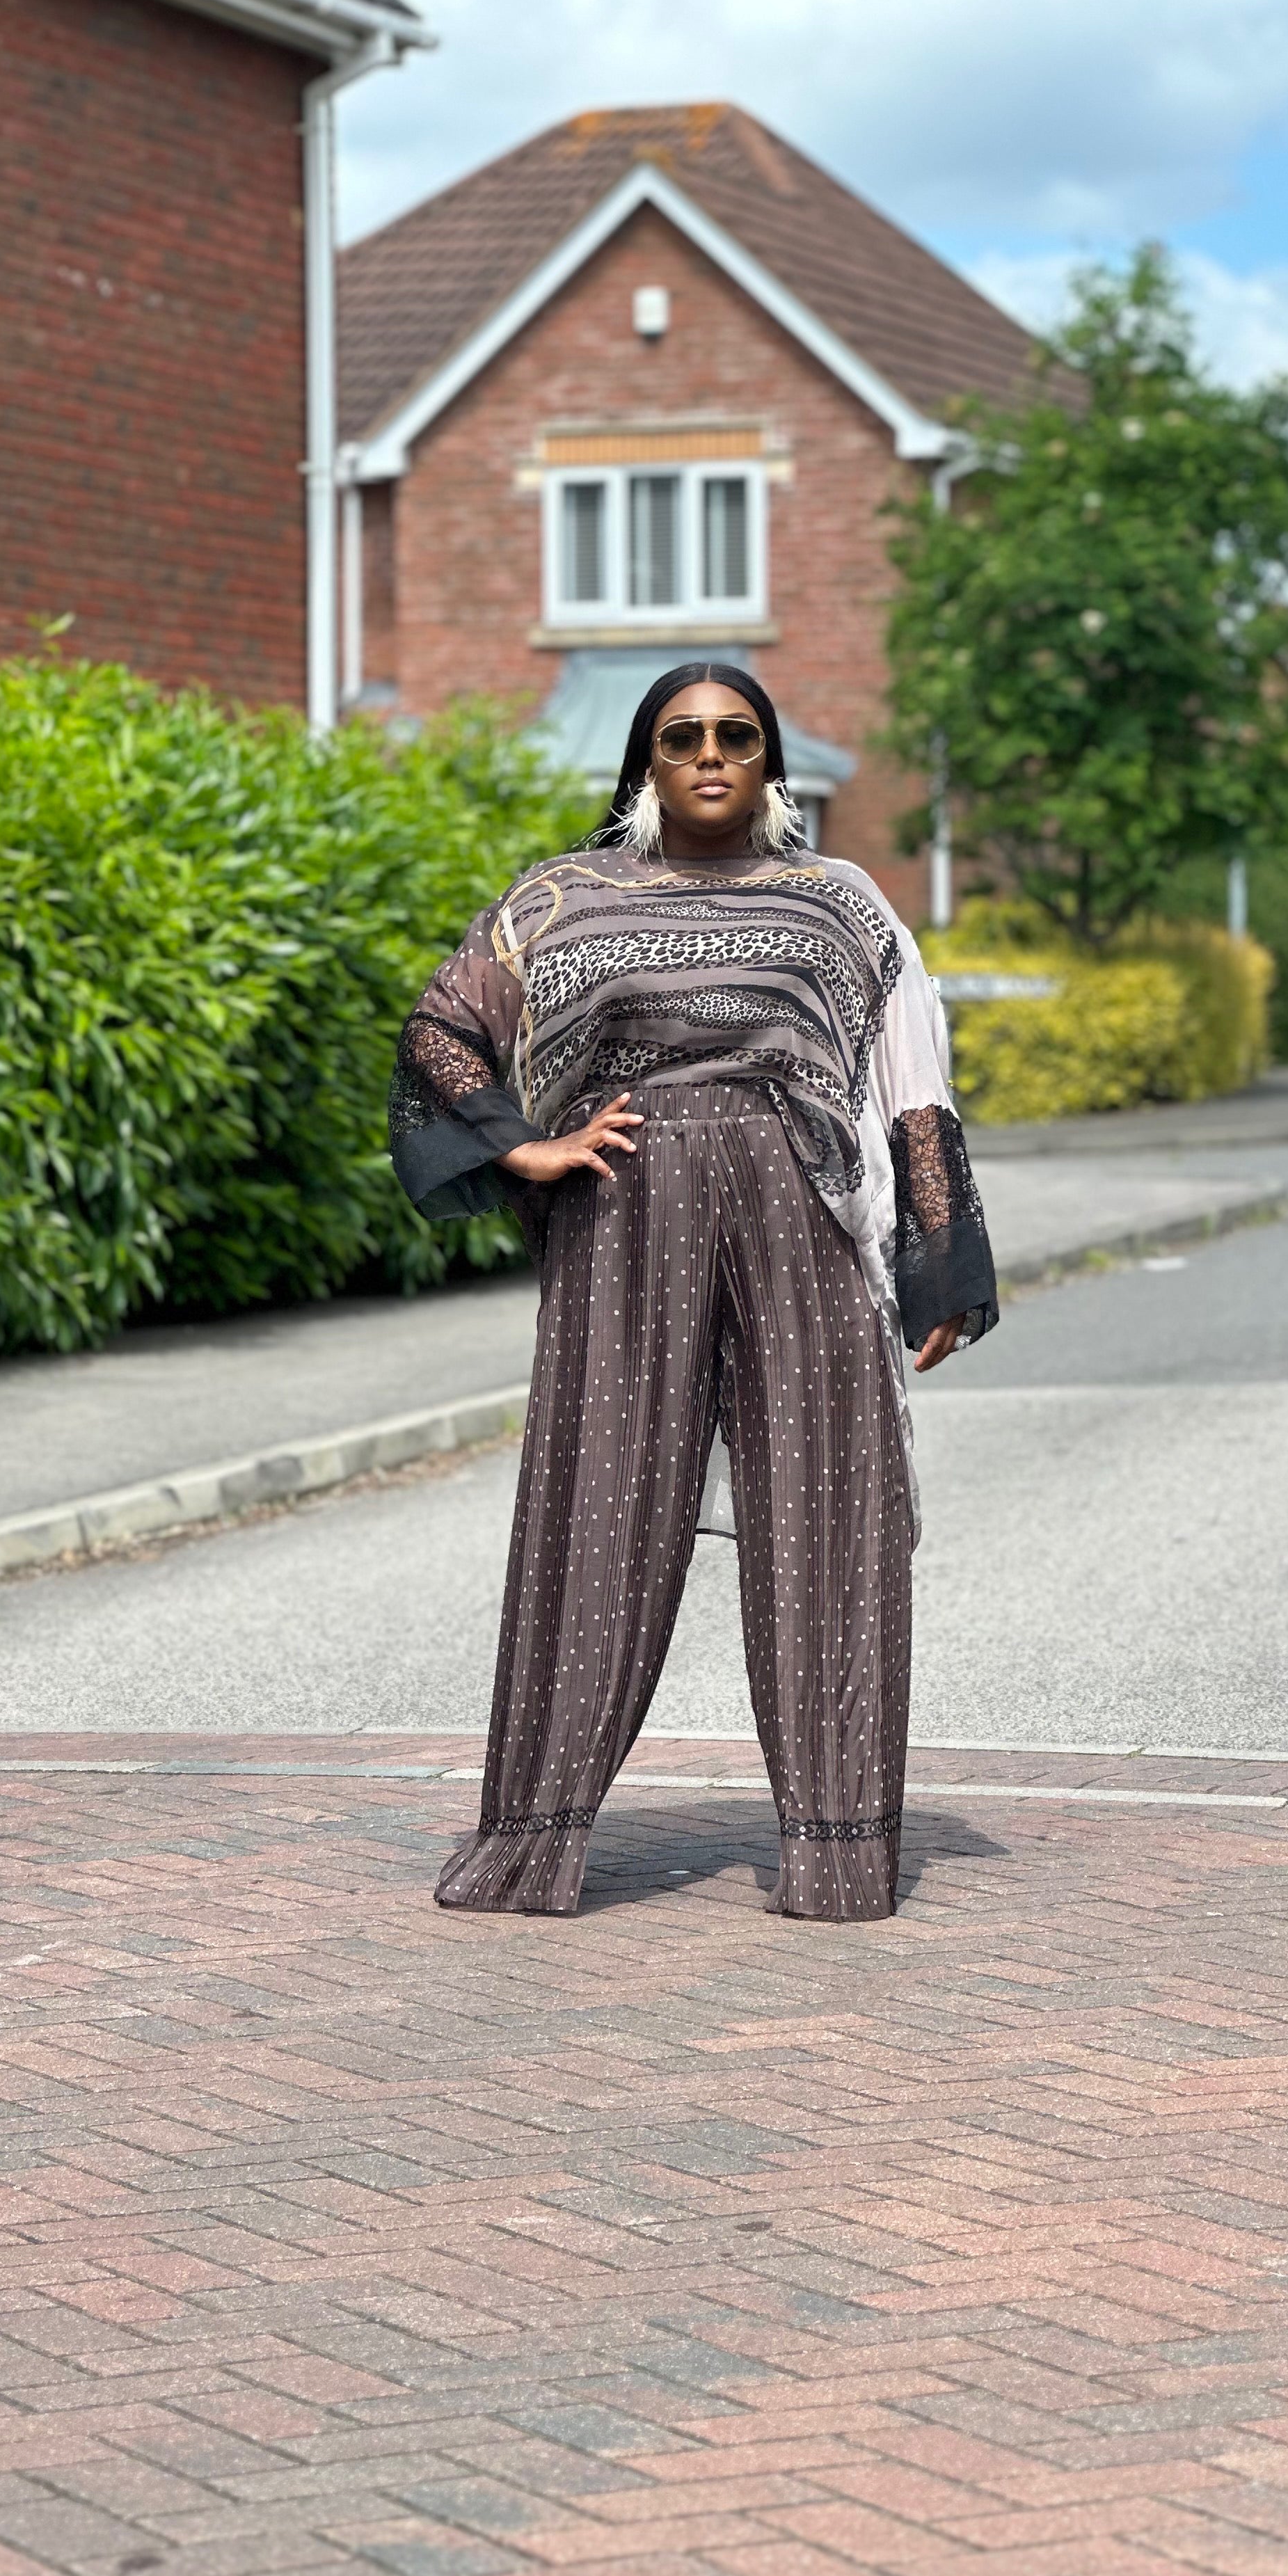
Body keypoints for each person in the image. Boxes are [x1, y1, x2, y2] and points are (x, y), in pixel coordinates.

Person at [390, 662, 998, 1921]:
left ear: (770, 762)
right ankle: (529, 1842)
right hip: (623, 1218)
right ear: (647, 764)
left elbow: (913, 1082)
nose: (711, 755)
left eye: (737, 735)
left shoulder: (839, 902)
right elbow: (442, 1030)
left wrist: (939, 1259)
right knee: (597, 1513)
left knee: (830, 1515)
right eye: (683, 738)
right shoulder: (561, 898)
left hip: (802, 1215)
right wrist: (525, 1148)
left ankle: (839, 1858)